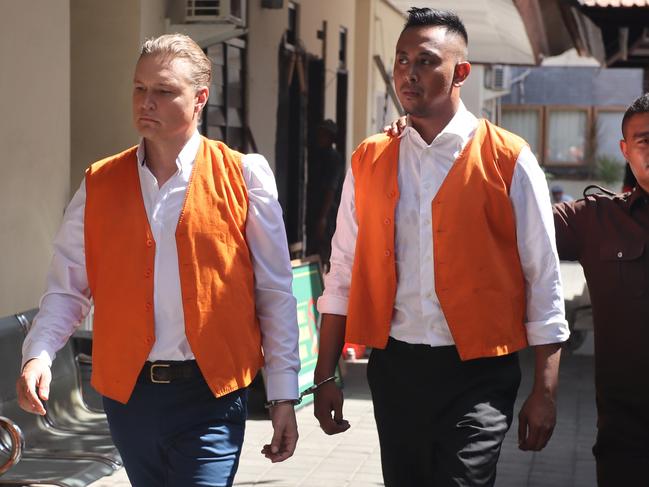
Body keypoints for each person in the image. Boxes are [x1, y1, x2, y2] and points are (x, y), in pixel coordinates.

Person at [16, 34, 300, 487]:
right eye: (139, 88)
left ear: (199, 99)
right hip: (129, 397)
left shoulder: (244, 176)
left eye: (164, 91)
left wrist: (284, 393)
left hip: (212, 394)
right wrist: (40, 354)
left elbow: (274, 293)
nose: (146, 102)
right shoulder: (101, 182)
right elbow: (69, 286)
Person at [313, 8, 569, 487]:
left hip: (480, 372)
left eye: (426, 61)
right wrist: (326, 373)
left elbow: (544, 276)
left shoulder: (509, 158)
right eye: (402, 59)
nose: (409, 73)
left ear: (460, 72)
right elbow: (343, 269)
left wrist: (546, 390)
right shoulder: (370, 157)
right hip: (396, 368)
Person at [553, 92, 649, 486]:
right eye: (645, 141)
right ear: (625, 151)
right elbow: (515, 219)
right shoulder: (597, 221)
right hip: (626, 438)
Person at [306, 119, 345, 268]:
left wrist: (322, 218)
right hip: (315, 210)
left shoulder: (334, 158)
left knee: (325, 252)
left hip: (328, 214)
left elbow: (331, 188)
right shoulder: (317, 156)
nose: (320, 138)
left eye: (324, 135)